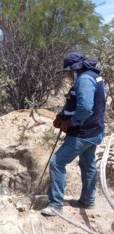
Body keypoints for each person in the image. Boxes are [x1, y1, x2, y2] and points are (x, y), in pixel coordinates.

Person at [41, 51, 106, 216]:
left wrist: (70, 123)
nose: (67, 74)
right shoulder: (91, 76)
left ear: (74, 68)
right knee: (87, 164)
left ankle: (55, 205)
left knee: (57, 162)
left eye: (68, 71)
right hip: (94, 131)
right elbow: (75, 102)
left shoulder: (84, 80)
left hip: (83, 133)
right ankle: (87, 200)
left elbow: (84, 109)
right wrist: (61, 116)